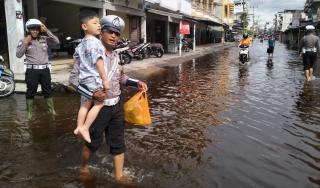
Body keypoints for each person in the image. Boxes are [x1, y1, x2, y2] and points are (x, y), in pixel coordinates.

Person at [69, 15, 148, 183]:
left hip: (116, 105)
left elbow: (120, 77)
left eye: (117, 33)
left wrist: (136, 83)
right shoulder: (86, 52)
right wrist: (92, 94)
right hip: (98, 106)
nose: (114, 36)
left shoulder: (116, 56)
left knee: (118, 142)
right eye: (110, 32)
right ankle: (84, 167)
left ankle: (119, 176)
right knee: (93, 142)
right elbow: (73, 80)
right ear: (101, 33)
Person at [73, 10, 110, 144]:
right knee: (99, 103)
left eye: (99, 23)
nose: (99, 26)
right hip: (94, 78)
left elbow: (76, 60)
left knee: (85, 104)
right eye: (95, 23)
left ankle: (78, 127)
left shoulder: (81, 44)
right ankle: (85, 127)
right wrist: (105, 79)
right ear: (84, 26)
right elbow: (98, 60)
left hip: (84, 79)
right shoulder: (95, 42)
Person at [16, 18, 60, 120]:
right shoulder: (23, 40)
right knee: (31, 91)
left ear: (39, 30)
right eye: (32, 29)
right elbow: (18, 54)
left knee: (47, 90)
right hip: (32, 70)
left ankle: (51, 109)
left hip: (45, 70)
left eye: (36, 29)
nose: (35, 31)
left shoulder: (44, 38)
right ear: (28, 30)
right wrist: (25, 43)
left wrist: (47, 31)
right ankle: (29, 113)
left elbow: (57, 42)